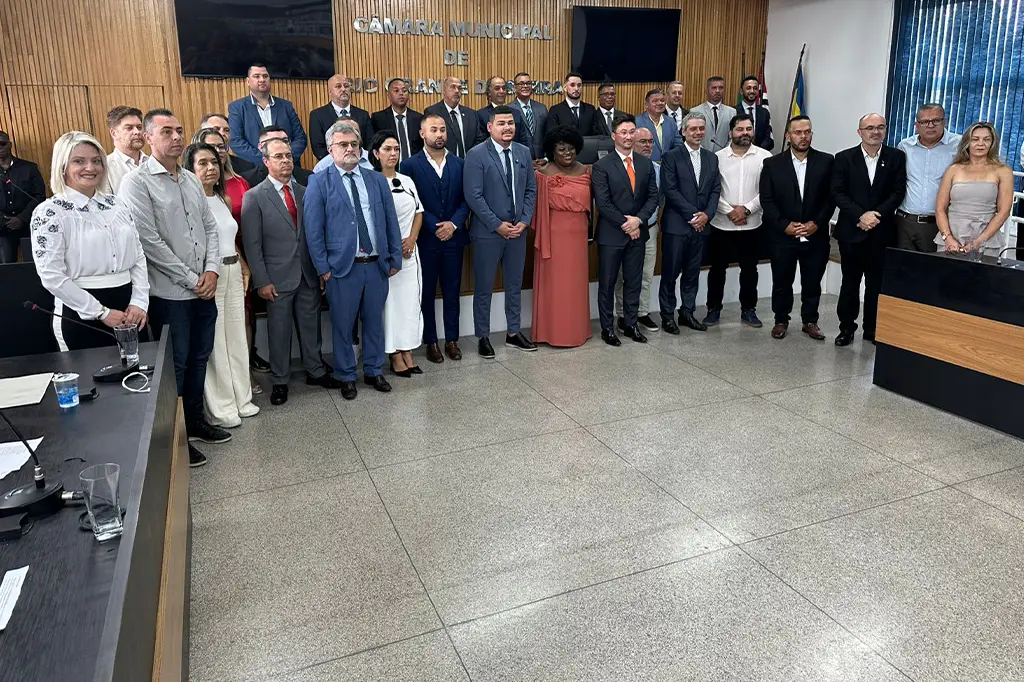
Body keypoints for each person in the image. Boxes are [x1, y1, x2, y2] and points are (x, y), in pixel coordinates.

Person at [119, 108, 227, 467]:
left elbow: (209, 228)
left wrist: (211, 271)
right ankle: (177, 436)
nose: (177, 137)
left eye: (180, 130)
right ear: (148, 138)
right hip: (170, 293)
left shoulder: (191, 179)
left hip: (203, 288)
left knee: (200, 356)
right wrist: (190, 278)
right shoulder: (136, 182)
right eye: (167, 132)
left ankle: (196, 421)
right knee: (176, 366)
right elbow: (148, 241)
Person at [304, 120, 403, 400]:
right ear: (331, 149)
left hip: (376, 265)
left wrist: (394, 257)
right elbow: (313, 230)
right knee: (343, 325)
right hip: (341, 269)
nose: (349, 149)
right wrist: (323, 268)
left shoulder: (375, 179)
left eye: (354, 144)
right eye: (343, 145)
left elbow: (389, 221)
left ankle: (373, 371)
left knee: (374, 322)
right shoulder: (319, 181)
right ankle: (346, 375)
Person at [241, 138, 341, 406]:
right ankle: (280, 381)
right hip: (275, 279)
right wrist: (261, 280)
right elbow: (252, 244)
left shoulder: (306, 191)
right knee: (279, 331)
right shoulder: (254, 196)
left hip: (307, 274)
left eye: (288, 155)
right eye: (278, 156)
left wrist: (321, 270)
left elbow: (315, 234)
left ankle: (315, 371)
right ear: (266, 161)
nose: (286, 160)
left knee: (311, 327)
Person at [31, 131, 148, 351]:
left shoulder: (117, 204)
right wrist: (100, 312)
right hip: (81, 313)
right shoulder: (49, 212)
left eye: (96, 161)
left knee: (138, 378)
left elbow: (138, 256)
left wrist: (139, 302)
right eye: (79, 161)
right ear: (62, 166)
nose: (90, 168)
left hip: (129, 309)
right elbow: (51, 275)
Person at [183, 142, 260, 427]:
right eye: (202, 163)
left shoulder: (222, 199)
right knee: (215, 342)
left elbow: (230, 240)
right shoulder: (190, 204)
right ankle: (221, 406)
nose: (210, 168)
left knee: (237, 337)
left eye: (214, 162)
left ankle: (243, 398)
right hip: (209, 275)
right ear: (190, 168)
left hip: (232, 272)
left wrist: (242, 264)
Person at [463, 106, 538, 358]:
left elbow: (530, 190)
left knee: (514, 285)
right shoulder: (476, 155)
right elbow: (473, 195)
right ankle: (483, 336)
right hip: (488, 233)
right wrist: (497, 224)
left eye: (511, 123)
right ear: (489, 127)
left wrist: (525, 221)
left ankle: (513, 332)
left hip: (518, 232)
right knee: (483, 287)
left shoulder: (523, 152)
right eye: (502, 123)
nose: (507, 128)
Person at [832, 113, 908, 347]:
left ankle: (873, 329)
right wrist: (860, 215)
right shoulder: (844, 158)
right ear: (860, 132)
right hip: (852, 231)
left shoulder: (896, 157)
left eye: (880, 127)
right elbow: (838, 192)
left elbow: (898, 192)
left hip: (881, 231)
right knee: (850, 283)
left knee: (876, 284)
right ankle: (846, 328)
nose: (875, 132)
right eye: (870, 128)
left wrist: (876, 215)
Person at [400, 114, 470, 364]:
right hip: (426, 240)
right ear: (422, 134)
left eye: (442, 130)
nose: (439, 134)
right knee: (426, 292)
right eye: (433, 130)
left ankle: (452, 339)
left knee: (452, 291)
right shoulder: (409, 166)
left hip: (454, 238)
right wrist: (433, 225)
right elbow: (412, 203)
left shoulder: (460, 164)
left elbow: (466, 200)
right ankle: (431, 341)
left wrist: (452, 224)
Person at [759, 115, 835, 341]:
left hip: (815, 235)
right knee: (782, 281)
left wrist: (817, 223)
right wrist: (784, 225)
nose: (804, 137)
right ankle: (781, 320)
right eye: (798, 132)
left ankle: (810, 321)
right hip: (783, 236)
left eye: (807, 132)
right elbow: (767, 199)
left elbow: (831, 198)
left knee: (812, 281)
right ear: (788, 135)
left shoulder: (826, 161)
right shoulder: (772, 164)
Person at [592, 114, 659, 346]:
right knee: (608, 283)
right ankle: (607, 328)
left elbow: (653, 198)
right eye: (624, 132)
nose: (629, 136)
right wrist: (626, 223)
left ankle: (630, 324)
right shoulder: (602, 166)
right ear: (614, 136)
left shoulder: (645, 163)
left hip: (638, 233)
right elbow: (603, 202)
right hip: (612, 234)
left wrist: (638, 221)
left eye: (632, 132)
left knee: (634, 281)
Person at [705, 114, 771, 328]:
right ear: (731, 132)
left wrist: (747, 210)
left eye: (748, 129)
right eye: (740, 129)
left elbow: (767, 191)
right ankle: (713, 309)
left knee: (750, 270)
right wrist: (730, 211)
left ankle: (748, 310)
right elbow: (713, 190)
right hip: (721, 224)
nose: (745, 133)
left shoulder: (765, 157)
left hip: (752, 225)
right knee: (717, 270)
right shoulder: (717, 157)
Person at [659, 112, 721, 334]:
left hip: (702, 226)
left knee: (692, 273)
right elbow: (670, 190)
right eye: (693, 129)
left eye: (701, 128)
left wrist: (707, 215)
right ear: (683, 131)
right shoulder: (671, 157)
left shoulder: (712, 158)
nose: (698, 133)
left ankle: (687, 312)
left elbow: (715, 190)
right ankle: (668, 316)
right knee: (670, 273)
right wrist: (694, 215)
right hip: (678, 225)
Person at [531, 126, 592, 348]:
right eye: (561, 149)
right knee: (554, 285)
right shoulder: (542, 173)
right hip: (553, 234)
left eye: (571, 148)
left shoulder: (587, 171)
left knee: (574, 285)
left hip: (578, 236)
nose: (567, 153)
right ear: (552, 151)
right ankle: (551, 332)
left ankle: (576, 330)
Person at [370, 131, 424, 376]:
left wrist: (412, 238)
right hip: (387, 255)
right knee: (390, 306)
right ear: (375, 153)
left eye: (396, 149)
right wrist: (392, 247)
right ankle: (393, 353)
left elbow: (418, 212)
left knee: (410, 303)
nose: (393, 154)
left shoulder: (407, 180)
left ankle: (408, 348)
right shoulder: (371, 181)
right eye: (387, 149)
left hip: (410, 251)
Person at [934, 121, 1015, 256]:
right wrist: (947, 238)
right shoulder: (953, 170)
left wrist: (979, 241)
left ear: (992, 143)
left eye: (986, 139)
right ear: (967, 142)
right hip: (952, 237)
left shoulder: (1003, 171)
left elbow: (1004, 211)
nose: (981, 144)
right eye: (975, 139)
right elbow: (940, 208)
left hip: (986, 238)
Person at [613, 126, 661, 333]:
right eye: (643, 141)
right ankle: (623, 315)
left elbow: (656, 199)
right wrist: (632, 223)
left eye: (651, 142)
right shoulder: (621, 166)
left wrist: (642, 221)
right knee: (624, 276)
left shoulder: (657, 168)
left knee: (646, 274)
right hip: (624, 229)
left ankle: (641, 312)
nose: (648, 146)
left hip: (649, 228)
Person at [895, 103, 961, 251]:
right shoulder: (905, 146)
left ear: (944, 121)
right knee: (901, 270)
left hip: (938, 224)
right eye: (924, 122)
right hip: (904, 222)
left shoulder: (959, 145)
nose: (930, 125)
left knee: (932, 271)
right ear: (916, 125)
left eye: (936, 120)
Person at [227, 63, 308, 166]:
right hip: (255, 169)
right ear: (248, 81)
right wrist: (268, 161)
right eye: (256, 76)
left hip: (288, 166)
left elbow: (300, 138)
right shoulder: (237, 108)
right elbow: (236, 141)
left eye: (265, 76)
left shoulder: (286, 106)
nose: (262, 79)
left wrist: (286, 157)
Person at [0, 129, 45, 263]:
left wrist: (21, 218)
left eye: (2, 144)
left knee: (35, 265)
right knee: (6, 269)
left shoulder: (29, 168)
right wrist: (4, 220)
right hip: (2, 229)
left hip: (29, 225)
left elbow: (39, 196)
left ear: (10, 144)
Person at [192, 128, 250, 224]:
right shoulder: (191, 186)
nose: (218, 151)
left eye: (221, 146)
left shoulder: (240, 182)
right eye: (212, 147)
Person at [310, 74, 374, 158]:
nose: (343, 89)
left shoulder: (363, 115)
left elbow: (370, 143)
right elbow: (318, 148)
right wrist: (340, 161)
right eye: (338, 86)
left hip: (360, 163)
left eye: (346, 86)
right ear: (330, 91)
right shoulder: (317, 115)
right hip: (332, 165)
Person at [425, 77, 484, 158]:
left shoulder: (471, 114)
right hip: (444, 164)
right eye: (453, 87)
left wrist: (471, 157)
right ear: (444, 91)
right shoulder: (432, 112)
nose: (457, 91)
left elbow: (480, 139)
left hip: (469, 164)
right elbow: (430, 140)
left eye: (459, 88)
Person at [241, 125, 314, 187]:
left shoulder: (309, 177)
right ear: (261, 147)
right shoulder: (248, 180)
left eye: (285, 141)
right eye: (275, 141)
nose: (281, 145)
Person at [371, 78, 424, 162]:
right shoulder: (378, 118)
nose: (401, 93)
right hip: (389, 168)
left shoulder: (418, 118)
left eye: (404, 91)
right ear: (389, 95)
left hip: (415, 167)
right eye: (396, 91)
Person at [101, 106, 147, 194]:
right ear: (114, 133)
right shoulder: (105, 168)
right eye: (129, 128)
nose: (137, 132)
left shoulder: (152, 162)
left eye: (139, 127)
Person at [476, 76, 528, 147]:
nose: (501, 91)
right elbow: (481, 143)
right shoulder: (481, 115)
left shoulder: (516, 113)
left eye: (503, 88)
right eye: (497, 88)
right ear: (489, 92)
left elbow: (524, 140)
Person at [546, 72, 600, 136]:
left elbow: (596, 136)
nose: (576, 89)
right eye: (572, 85)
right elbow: (552, 136)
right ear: (565, 87)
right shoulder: (555, 110)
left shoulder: (590, 109)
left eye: (579, 85)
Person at [691, 76, 736, 153]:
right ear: (707, 91)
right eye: (714, 88)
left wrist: (724, 152)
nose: (718, 91)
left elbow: (733, 136)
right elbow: (693, 136)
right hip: (701, 155)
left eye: (721, 88)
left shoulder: (732, 112)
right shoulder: (695, 111)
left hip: (725, 156)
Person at [634, 88, 680, 162]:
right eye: (655, 101)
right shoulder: (637, 122)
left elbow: (678, 145)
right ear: (646, 105)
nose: (660, 103)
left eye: (662, 100)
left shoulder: (671, 122)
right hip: (644, 166)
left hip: (667, 167)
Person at [512, 71, 549, 160]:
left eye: (528, 83)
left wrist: (547, 157)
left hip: (541, 160)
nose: (525, 86)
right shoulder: (509, 110)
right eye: (521, 84)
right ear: (515, 87)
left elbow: (548, 134)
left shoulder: (542, 108)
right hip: (518, 159)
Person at [738, 76, 773, 150]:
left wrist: (757, 152)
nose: (752, 91)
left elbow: (768, 138)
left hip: (759, 155)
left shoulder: (764, 112)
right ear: (741, 91)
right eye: (748, 88)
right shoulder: (733, 111)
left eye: (755, 88)